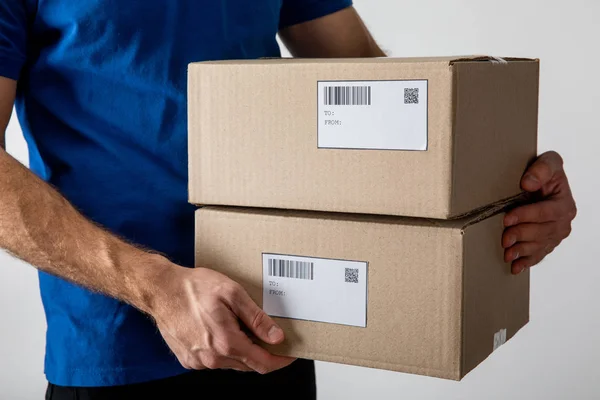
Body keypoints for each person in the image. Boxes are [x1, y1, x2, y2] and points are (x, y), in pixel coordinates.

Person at [0, 1, 576, 399]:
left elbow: (377, 90)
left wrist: (502, 188)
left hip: (275, 325)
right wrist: (155, 285)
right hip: (120, 347)